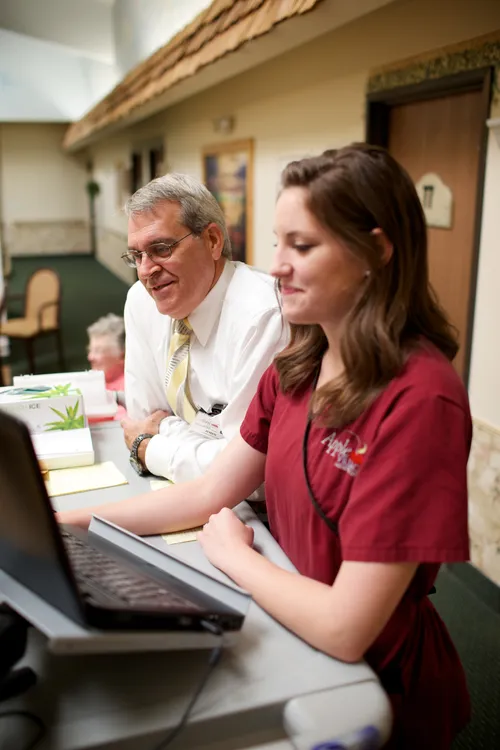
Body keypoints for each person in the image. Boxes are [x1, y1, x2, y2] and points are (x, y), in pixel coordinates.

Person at [58, 144, 471, 749]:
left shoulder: (420, 400)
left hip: (372, 683)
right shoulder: (300, 363)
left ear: (376, 253)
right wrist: (67, 523)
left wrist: (237, 557)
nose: (276, 266)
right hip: (285, 617)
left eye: (301, 246)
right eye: (277, 243)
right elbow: (207, 491)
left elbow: (347, 626)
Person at [120, 172, 287, 481]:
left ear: (212, 241)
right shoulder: (141, 302)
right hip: (171, 488)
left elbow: (249, 474)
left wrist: (152, 448)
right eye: (136, 255)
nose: (146, 271)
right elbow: (143, 418)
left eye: (161, 248)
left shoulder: (262, 316)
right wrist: (201, 447)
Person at [87, 313, 126, 421]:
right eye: (90, 350)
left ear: (122, 355)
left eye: (98, 351)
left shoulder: (130, 388)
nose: (90, 357)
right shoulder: (90, 382)